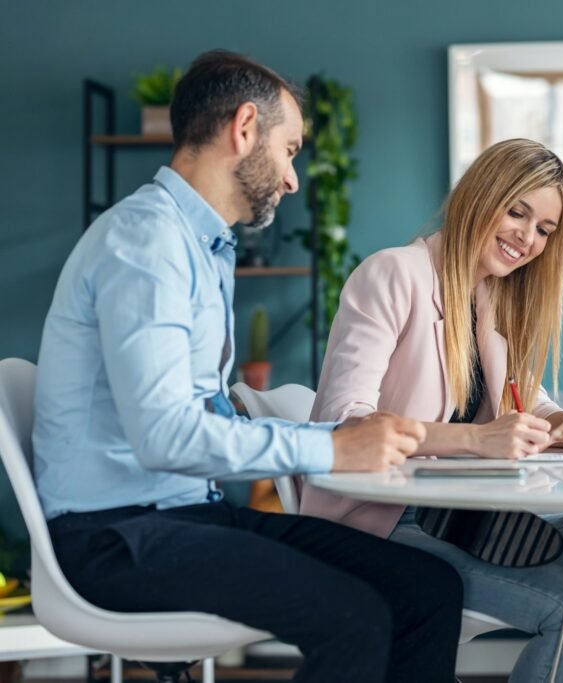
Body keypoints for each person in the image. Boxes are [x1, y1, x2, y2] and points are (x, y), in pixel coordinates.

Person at [32, 50, 463, 683]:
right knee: (355, 618)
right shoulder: (148, 243)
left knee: (428, 587)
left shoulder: (201, 246)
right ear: (243, 130)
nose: (293, 179)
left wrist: (340, 442)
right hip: (114, 537)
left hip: (185, 516)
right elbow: (165, 436)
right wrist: (334, 451)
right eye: (289, 150)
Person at [299, 138, 563, 683]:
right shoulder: (393, 274)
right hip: (380, 523)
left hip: (453, 510)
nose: (528, 237)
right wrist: (477, 441)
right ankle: (528, 552)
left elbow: (521, 399)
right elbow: (346, 421)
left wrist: (560, 421)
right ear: (480, 196)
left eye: (545, 229)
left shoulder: (491, 299)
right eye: (518, 212)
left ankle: (518, 546)